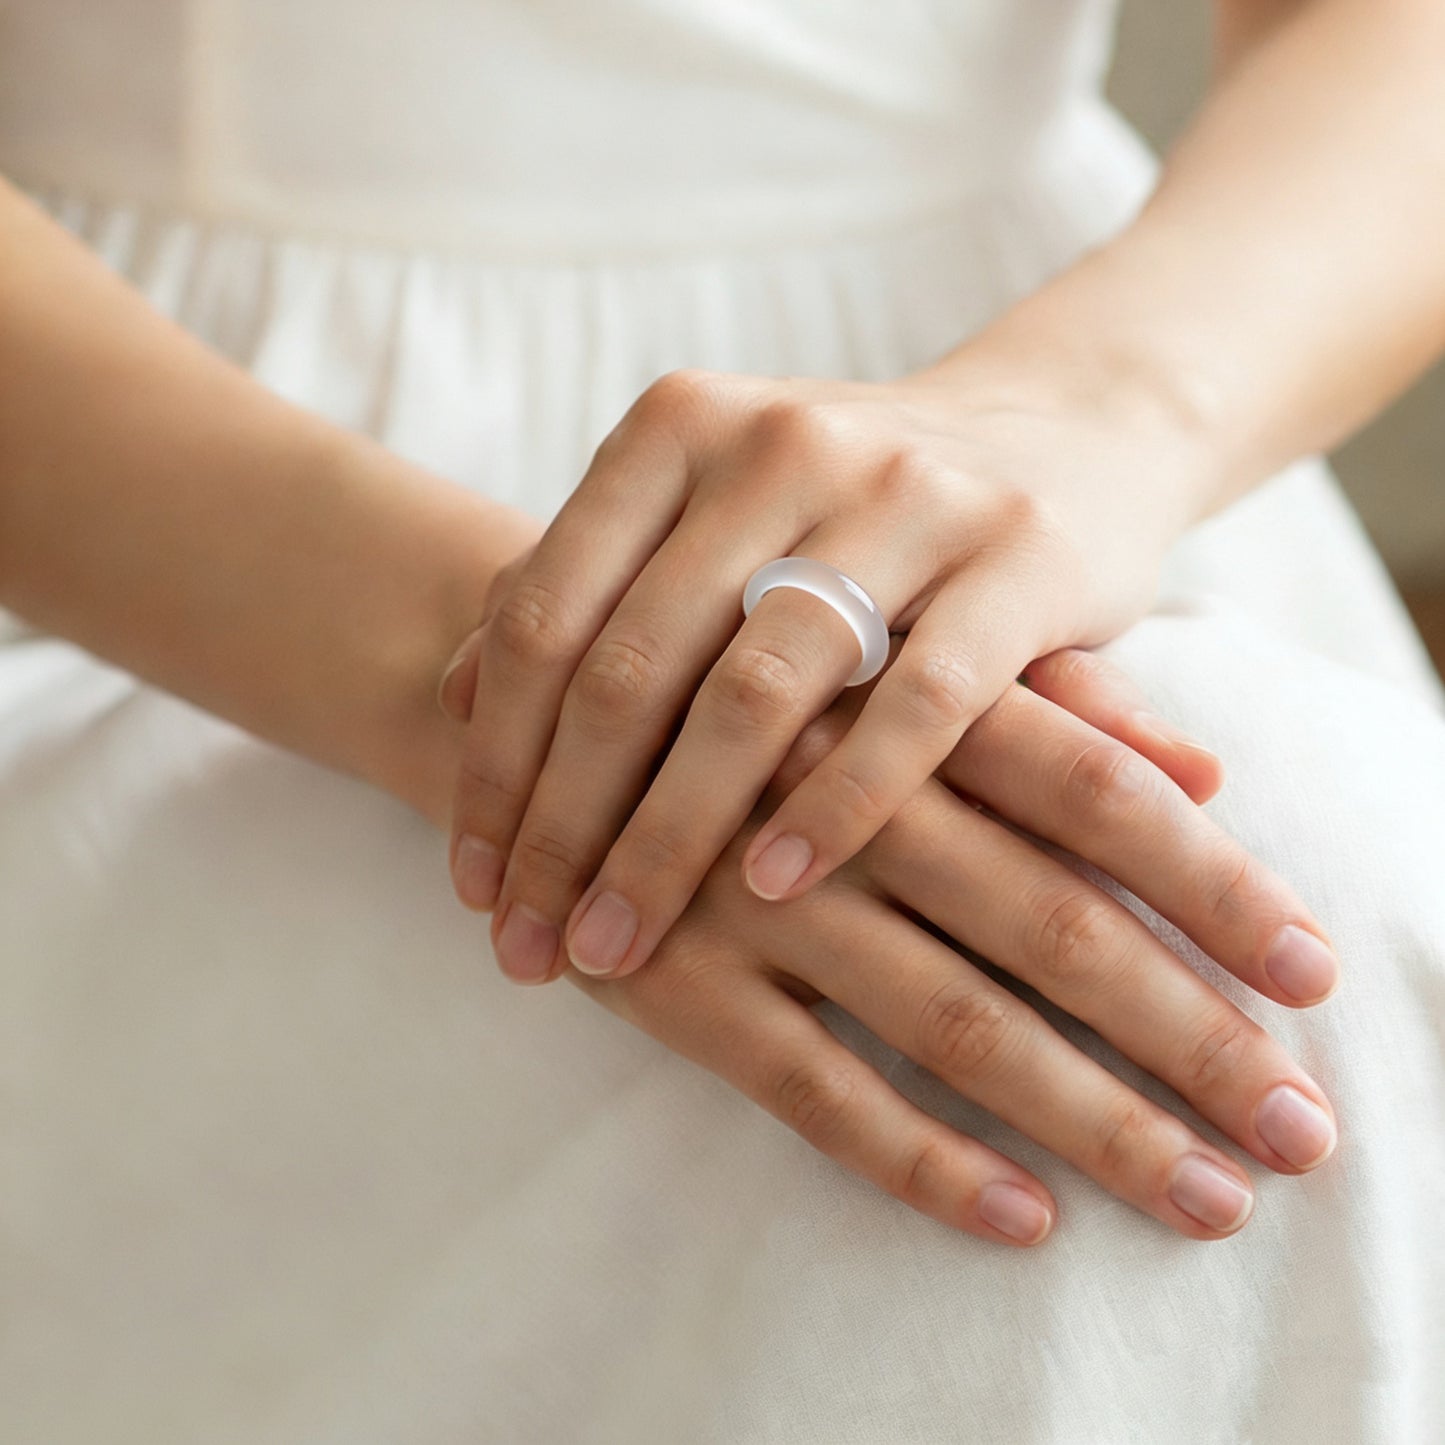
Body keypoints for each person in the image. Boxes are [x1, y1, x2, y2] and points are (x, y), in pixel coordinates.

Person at [0, 1, 1442, 1441]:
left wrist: (1093, 411)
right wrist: (560, 694)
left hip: (1099, 400)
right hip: (149, 522)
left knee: (1244, 892)